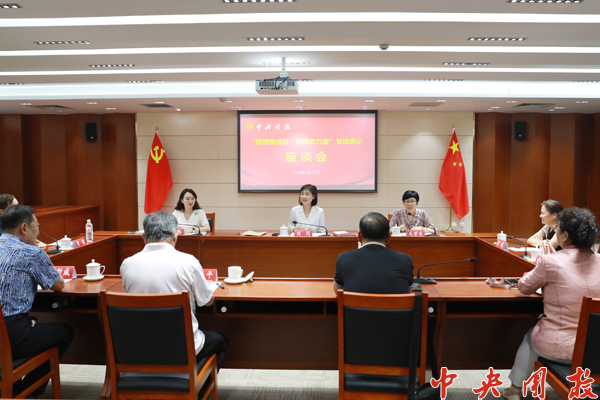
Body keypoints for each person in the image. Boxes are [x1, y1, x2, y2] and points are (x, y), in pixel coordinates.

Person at [503, 207, 600, 400]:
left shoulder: (551, 262)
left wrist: (546, 261)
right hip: (595, 350)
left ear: (565, 236)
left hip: (559, 348)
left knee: (530, 337)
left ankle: (514, 391)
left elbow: (524, 287)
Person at [120, 211, 227, 370]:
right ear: (175, 237)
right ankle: (195, 383)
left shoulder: (127, 264)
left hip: (138, 347)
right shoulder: (189, 262)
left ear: (143, 237)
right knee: (221, 341)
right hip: (181, 348)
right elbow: (207, 302)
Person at [0, 204, 74, 397]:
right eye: (37, 226)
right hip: (14, 334)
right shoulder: (31, 253)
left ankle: (11, 388)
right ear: (24, 228)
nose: (38, 232)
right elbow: (58, 284)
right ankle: (27, 393)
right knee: (64, 332)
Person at [334, 212, 414, 294]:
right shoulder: (405, 260)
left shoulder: (344, 258)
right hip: (394, 303)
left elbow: (338, 291)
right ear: (388, 237)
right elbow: (408, 290)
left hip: (356, 303)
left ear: (359, 236)